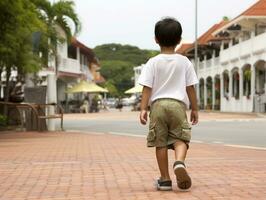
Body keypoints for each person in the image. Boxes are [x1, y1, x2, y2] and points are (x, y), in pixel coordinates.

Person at [138, 17, 199, 191]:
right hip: (178, 106)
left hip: (157, 106)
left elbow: (147, 88)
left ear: (156, 39)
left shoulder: (152, 62)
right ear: (179, 40)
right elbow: (190, 88)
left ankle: (165, 179)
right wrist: (195, 108)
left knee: (161, 143)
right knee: (181, 138)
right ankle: (179, 162)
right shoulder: (185, 62)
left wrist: (143, 108)